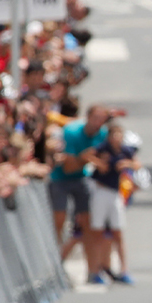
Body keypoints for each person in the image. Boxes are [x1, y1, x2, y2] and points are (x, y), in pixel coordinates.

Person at [49, 104, 109, 284]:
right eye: (95, 118)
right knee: (59, 221)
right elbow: (68, 167)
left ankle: (93, 271)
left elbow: (101, 161)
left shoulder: (103, 134)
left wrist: (84, 159)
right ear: (87, 117)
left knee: (88, 224)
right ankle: (54, 267)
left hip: (81, 178)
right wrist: (85, 158)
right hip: (60, 179)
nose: (98, 123)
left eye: (102, 120)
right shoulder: (71, 132)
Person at [84, 122, 139, 285]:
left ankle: (124, 270)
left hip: (115, 193)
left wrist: (127, 164)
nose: (116, 138)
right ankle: (95, 270)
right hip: (101, 191)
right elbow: (86, 155)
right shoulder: (103, 148)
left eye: (119, 135)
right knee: (98, 232)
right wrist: (99, 164)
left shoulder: (125, 151)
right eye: (113, 135)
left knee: (118, 232)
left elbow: (137, 164)